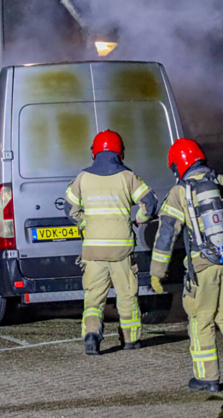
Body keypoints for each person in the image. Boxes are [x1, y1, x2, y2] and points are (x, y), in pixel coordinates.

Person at [150, 138, 223, 393]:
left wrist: (157, 273)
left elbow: (166, 234)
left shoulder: (180, 193)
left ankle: (207, 378)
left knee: (201, 321)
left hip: (202, 268)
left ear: (179, 165)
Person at [66, 130, 159, 355]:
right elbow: (150, 203)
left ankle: (91, 335)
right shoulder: (128, 177)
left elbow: (70, 209)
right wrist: (139, 220)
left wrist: (87, 223)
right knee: (126, 295)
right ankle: (130, 340)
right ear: (120, 153)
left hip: (93, 249)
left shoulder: (82, 178)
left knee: (94, 297)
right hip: (120, 250)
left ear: (94, 152)